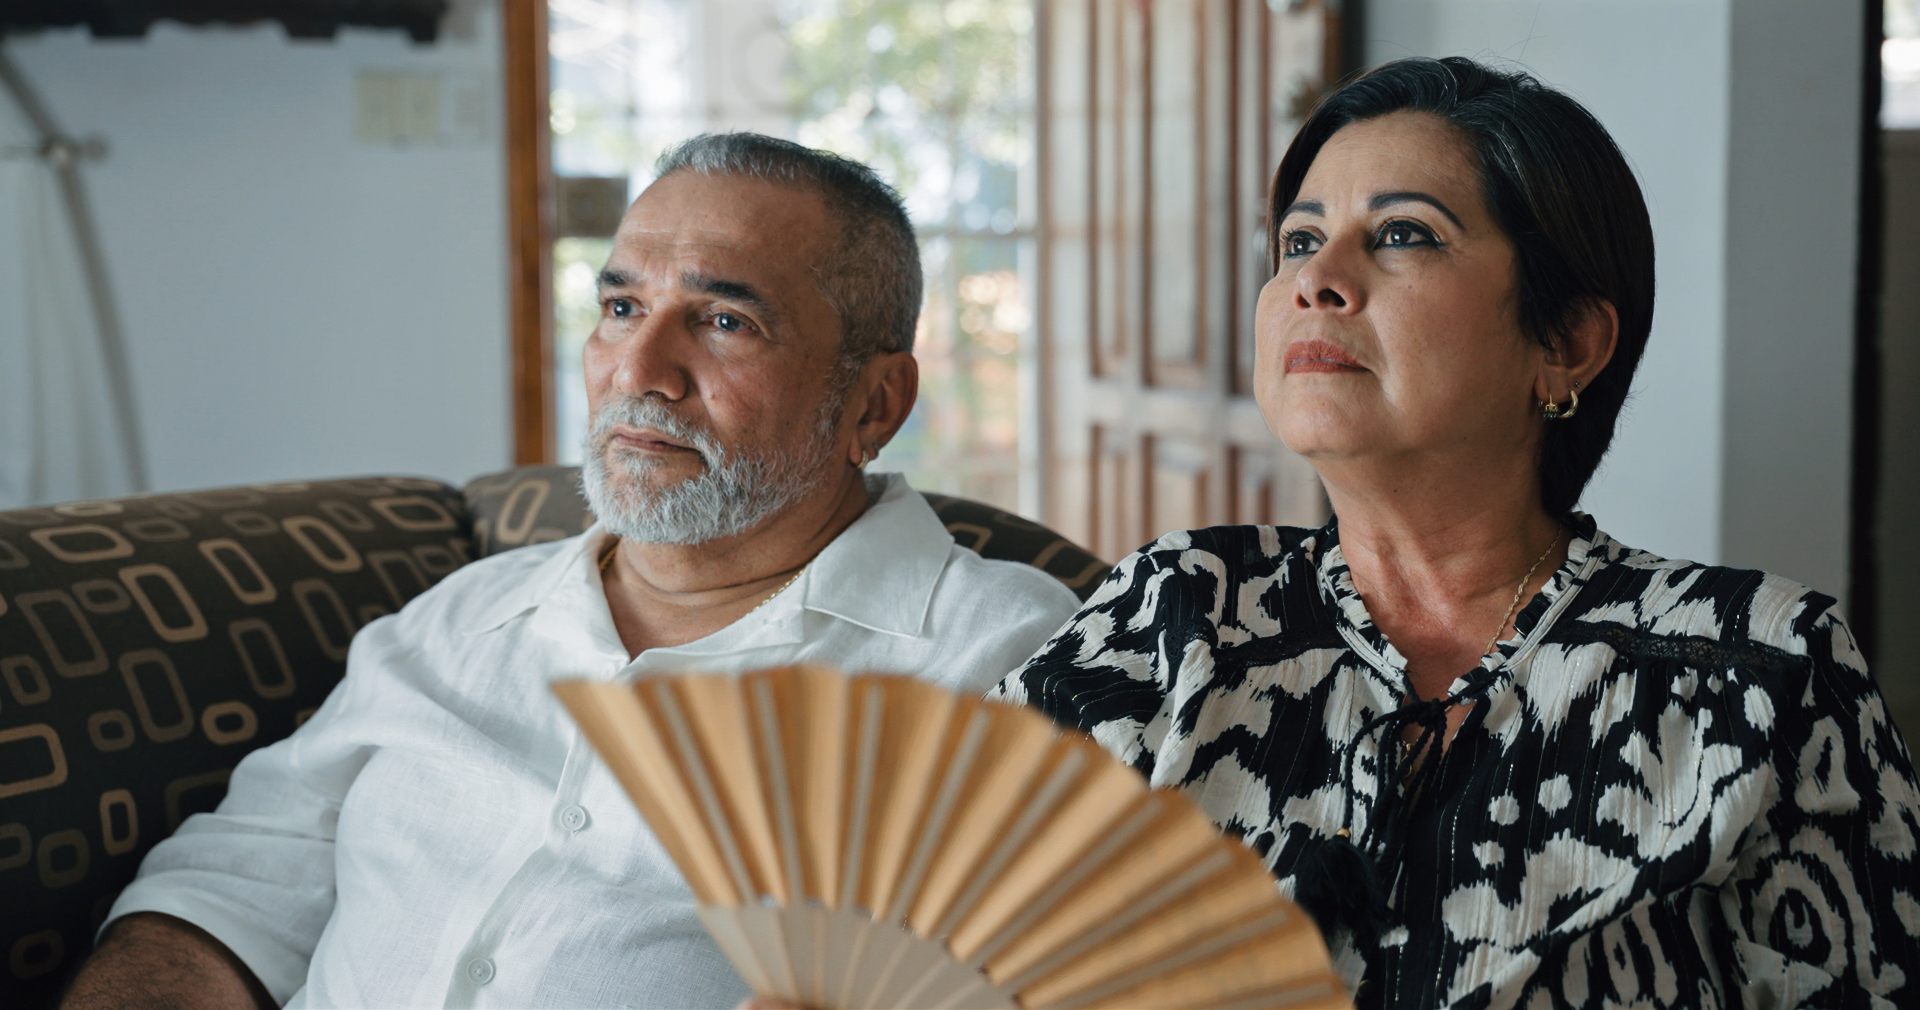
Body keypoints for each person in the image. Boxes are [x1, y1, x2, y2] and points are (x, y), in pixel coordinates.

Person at [62, 134, 1082, 1010]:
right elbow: (220, 900)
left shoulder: (1009, 661)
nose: (640, 370)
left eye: (725, 320)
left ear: (874, 403)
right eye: (622, 306)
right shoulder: (458, 621)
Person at [996, 57, 1920, 1009]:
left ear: (1564, 344)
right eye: (1299, 239)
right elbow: (933, 939)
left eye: (1403, 235)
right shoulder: (1176, 612)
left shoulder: (1759, 668)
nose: (1317, 277)